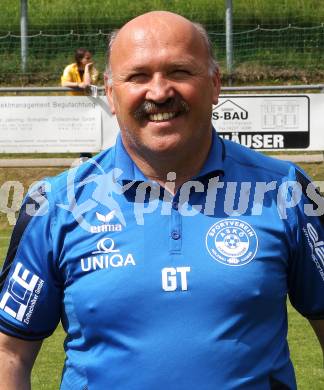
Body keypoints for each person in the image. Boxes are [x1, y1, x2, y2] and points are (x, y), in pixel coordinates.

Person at [0, 11, 323, 390]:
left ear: (215, 84)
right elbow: (10, 354)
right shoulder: (56, 205)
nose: (159, 92)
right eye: (137, 76)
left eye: (180, 72)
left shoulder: (286, 191)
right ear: (110, 93)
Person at [61, 47, 99, 163]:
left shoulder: (92, 69)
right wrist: (78, 84)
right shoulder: (70, 68)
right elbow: (64, 83)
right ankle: (85, 156)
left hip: (89, 105)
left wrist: (87, 68)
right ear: (79, 59)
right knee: (79, 131)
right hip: (74, 105)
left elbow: (87, 84)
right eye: (87, 58)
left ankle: (86, 156)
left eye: (90, 57)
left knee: (87, 130)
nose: (90, 60)